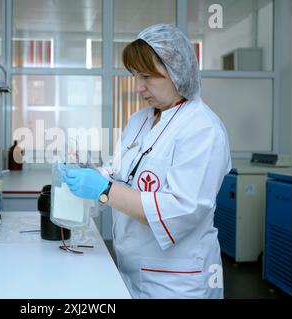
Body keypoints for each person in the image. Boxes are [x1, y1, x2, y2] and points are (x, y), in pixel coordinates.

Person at [63, 24, 231, 299]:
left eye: (148, 77)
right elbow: (119, 172)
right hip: (130, 268)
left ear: (178, 72)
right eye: (135, 76)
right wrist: (89, 172)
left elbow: (181, 209)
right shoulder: (140, 120)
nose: (139, 87)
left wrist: (103, 190)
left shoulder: (203, 129)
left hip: (178, 282)